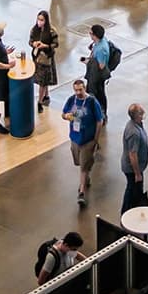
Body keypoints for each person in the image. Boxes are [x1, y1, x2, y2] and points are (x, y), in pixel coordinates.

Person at [61, 78, 105, 208]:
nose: (78, 92)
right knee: (79, 163)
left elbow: (99, 121)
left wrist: (95, 140)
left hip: (88, 140)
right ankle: (86, 178)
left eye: (80, 90)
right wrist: (66, 116)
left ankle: (81, 192)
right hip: (75, 139)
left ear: (84, 88)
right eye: (76, 90)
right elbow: (63, 113)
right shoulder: (71, 100)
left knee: (83, 168)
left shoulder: (92, 102)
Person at [121, 102, 148, 213]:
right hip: (132, 169)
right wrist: (137, 174)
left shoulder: (136, 124)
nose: (143, 113)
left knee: (134, 189)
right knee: (132, 189)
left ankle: (132, 209)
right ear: (136, 116)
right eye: (140, 112)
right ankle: (127, 211)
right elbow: (132, 155)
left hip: (137, 167)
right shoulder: (134, 132)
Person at [28, 10, 59, 111]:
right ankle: (46, 95)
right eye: (38, 19)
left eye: (42, 20)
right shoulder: (34, 29)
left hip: (46, 59)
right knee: (43, 80)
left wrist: (45, 46)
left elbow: (56, 44)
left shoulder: (51, 31)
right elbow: (30, 41)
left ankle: (40, 102)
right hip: (36, 58)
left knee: (43, 82)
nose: (39, 21)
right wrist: (34, 44)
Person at [85, 24, 116, 121]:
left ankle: (101, 114)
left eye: (91, 33)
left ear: (95, 35)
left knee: (99, 95)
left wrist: (89, 62)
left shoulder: (101, 49)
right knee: (98, 94)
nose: (90, 35)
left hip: (97, 76)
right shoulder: (101, 41)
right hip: (96, 75)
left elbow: (101, 65)